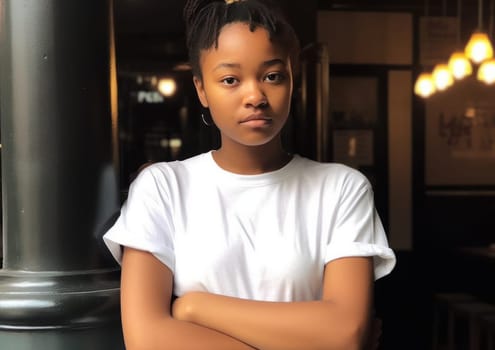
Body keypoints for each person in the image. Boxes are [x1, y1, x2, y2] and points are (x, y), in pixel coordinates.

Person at [103, 0, 396, 349]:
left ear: (293, 79)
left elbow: (345, 333)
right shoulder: (163, 187)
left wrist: (194, 307)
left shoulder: (342, 188)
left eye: (272, 76)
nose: (255, 96)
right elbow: (147, 339)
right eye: (230, 79)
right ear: (201, 90)